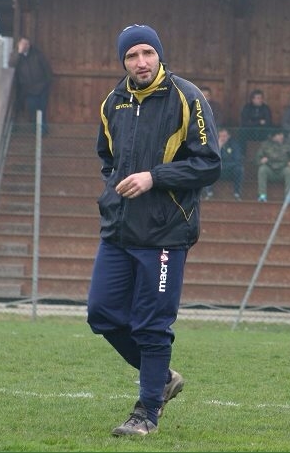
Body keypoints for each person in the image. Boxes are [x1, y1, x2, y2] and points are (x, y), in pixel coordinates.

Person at [87, 24, 221, 437]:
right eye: (131, 55)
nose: (140, 62)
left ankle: (146, 413)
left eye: (147, 52)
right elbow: (107, 159)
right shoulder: (112, 102)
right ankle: (162, 378)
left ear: (159, 55)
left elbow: (209, 164)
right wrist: (114, 191)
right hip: (119, 230)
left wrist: (154, 177)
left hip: (165, 233)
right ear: (123, 61)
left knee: (151, 325)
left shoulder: (187, 97)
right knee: (101, 313)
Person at [8, 36, 52, 136]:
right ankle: (37, 131)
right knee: (33, 110)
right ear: (19, 44)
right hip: (28, 90)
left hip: (42, 88)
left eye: (27, 44)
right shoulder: (15, 55)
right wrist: (19, 53)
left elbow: (47, 69)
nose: (25, 46)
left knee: (42, 109)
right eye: (23, 44)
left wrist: (47, 83)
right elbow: (11, 65)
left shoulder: (37, 54)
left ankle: (43, 131)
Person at [255, 129, 290, 203]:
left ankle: (288, 196)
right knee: (262, 169)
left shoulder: (288, 145)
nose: (280, 136)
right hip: (270, 169)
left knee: (289, 171)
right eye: (278, 135)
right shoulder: (265, 145)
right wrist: (261, 161)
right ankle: (262, 195)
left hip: (283, 169)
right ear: (273, 137)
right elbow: (257, 158)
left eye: (281, 135)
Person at [204, 127, 244, 201]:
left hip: (230, 170)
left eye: (224, 136)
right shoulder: (214, 145)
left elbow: (237, 159)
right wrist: (218, 147)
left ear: (228, 136)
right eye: (221, 136)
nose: (223, 138)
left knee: (239, 169)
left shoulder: (234, 145)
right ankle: (209, 193)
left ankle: (237, 193)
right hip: (217, 171)